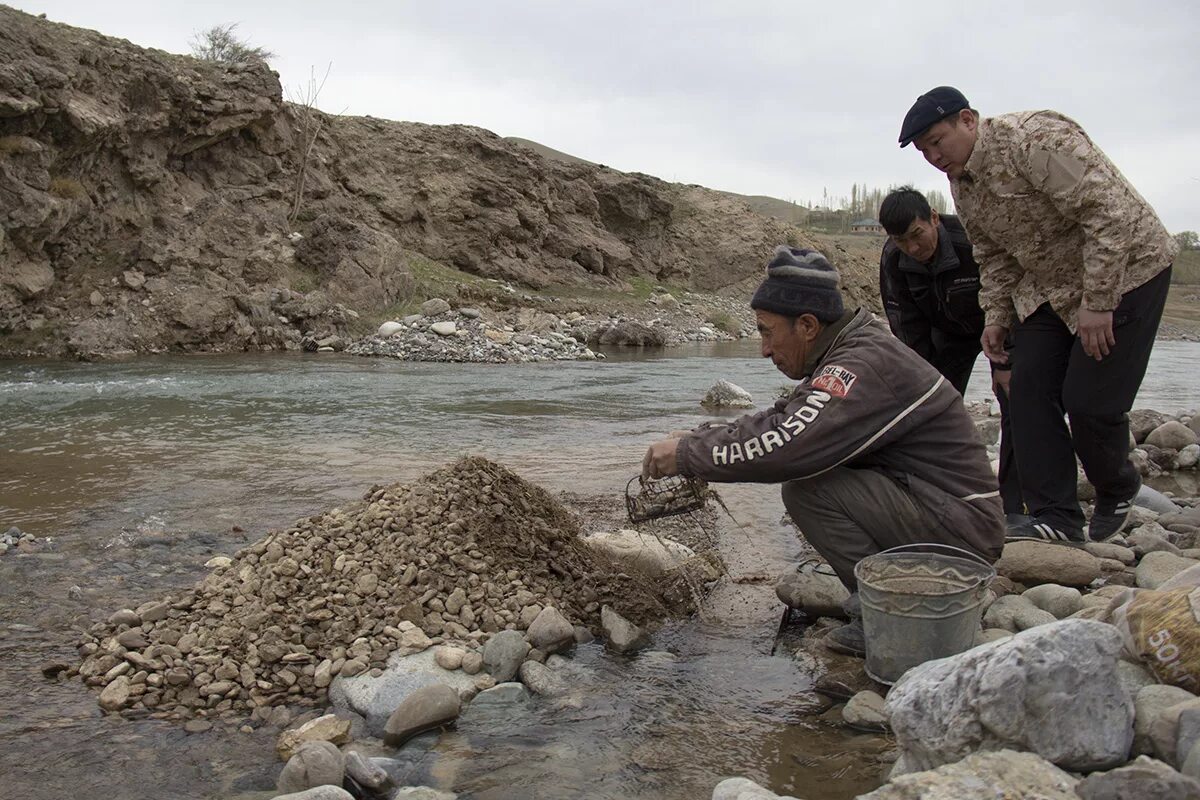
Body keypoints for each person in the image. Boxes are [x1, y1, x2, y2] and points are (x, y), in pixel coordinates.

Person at [642, 246, 1004, 656]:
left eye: (766, 331)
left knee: (808, 491)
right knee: (812, 481)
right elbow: (784, 416)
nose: (763, 349)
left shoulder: (857, 365)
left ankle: (889, 613)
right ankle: (892, 596)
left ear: (808, 325)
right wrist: (698, 437)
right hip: (946, 513)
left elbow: (786, 445)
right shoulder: (850, 350)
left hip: (963, 531)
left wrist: (689, 456)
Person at [899, 86, 1178, 545]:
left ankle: (1117, 486)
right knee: (1025, 388)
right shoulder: (962, 183)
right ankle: (1058, 518)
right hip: (1049, 286)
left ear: (968, 120)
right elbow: (994, 255)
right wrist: (996, 316)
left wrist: (1099, 301)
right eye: (923, 150)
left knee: (1088, 402)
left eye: (936, 141)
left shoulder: (1036, 140)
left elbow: (1109, 214)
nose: (932, 156)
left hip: (1129, 272)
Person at [877, 187, 1024, 520]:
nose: (913, 248)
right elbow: (906, 328)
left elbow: (1009, 293)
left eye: (918, 235)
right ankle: (936, 495)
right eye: (902, 241)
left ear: (933, 218)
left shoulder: (969, 240)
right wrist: (922, 384)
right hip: (944, 334)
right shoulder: (894, 259)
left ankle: (1015, 506)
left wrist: (1008, 359)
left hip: (996, 324)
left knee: (1016, 397)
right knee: (930, 409)